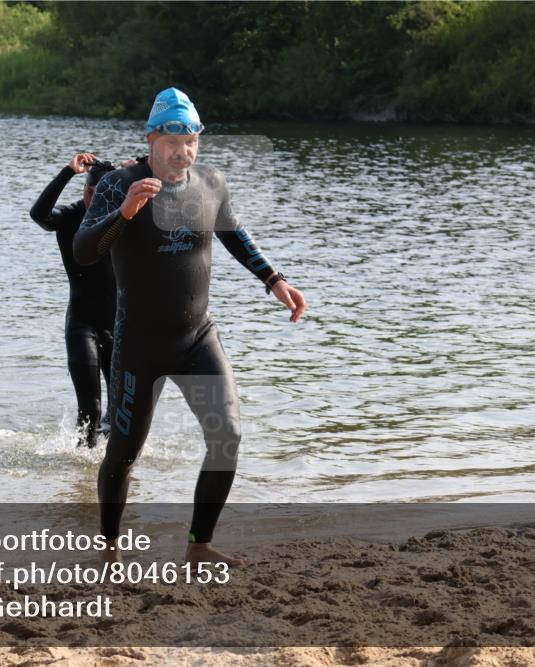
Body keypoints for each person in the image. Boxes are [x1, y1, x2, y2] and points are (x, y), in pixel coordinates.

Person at [75, 88, 307, 564]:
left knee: (227, 436)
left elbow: (233, 231)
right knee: (122, 453)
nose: (183, 152)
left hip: (197, 336)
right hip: (139, 343)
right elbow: (84, 249)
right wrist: (125, 214)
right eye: (173, 142)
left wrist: (274, 279)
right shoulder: (122, 183)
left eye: (192, 141)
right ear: (152, 138)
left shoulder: (210, 182)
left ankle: (199, 545)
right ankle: (110, 548)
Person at [29, 153, 120, 448]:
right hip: (83, 326)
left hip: (118, 325)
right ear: (89, 192)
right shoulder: (70, 217)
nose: (109, 205)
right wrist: (68, 171)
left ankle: (108, 471)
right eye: (103, 197)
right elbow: (38, 214)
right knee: (91, 411)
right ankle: (79, 479)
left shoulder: (121, 218)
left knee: (121, 413)